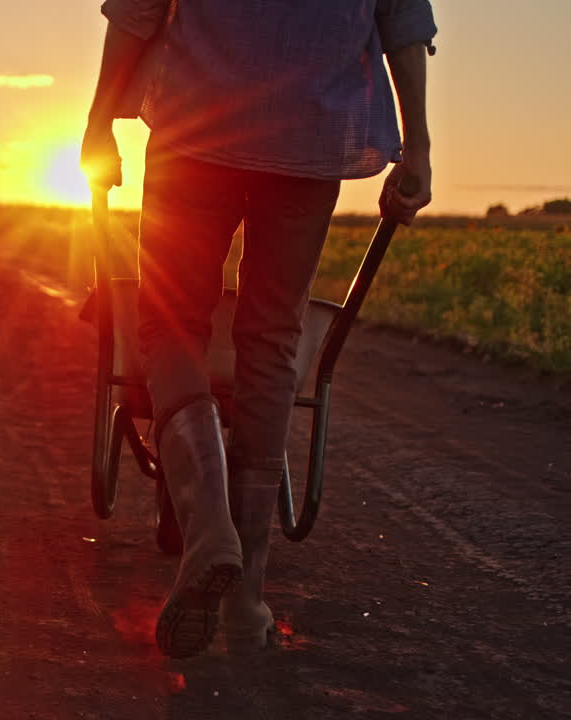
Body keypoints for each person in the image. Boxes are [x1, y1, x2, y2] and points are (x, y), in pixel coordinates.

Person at [81, 1, 437, 658]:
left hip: (199, 118)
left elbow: (135, 10)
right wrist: (417, 145)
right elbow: (403, 21)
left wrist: (99, 122)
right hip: (312, 129)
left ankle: (210, 529)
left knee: (170, 321)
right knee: (272, 339)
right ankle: (246, 602)